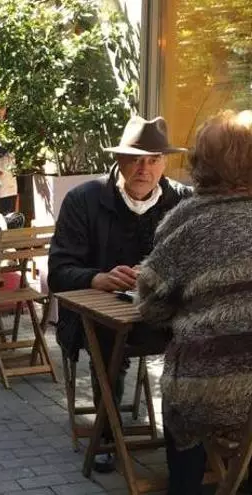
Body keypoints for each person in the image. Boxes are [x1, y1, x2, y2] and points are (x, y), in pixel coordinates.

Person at [48, 115, 193, 473]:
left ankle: (189, 444)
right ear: (118, 159)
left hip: (162, 314)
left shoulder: (183, 201)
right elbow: (59, 272)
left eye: (154, 159)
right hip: (99, 318)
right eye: (135, 159)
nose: (145, 169)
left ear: (164, 162)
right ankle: (107, 435)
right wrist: (97, 278)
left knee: (200, 338)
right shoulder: (84, 200)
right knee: (108, 341)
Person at [136, 110, 252, 494]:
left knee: (182, 411)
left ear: (202, 163)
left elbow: (151, 305)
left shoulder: (186, 220)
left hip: (209, 387)